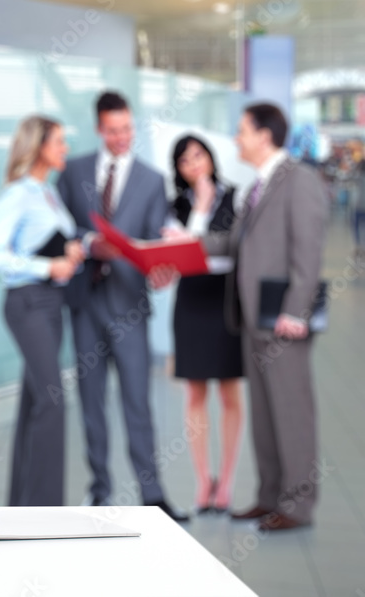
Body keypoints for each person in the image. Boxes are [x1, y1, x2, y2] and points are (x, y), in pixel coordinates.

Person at [182, 103, 328, 531]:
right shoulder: (259, 186)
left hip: (283, 320)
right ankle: (270, 496)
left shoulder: (298, 181)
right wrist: (186, 244)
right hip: (252, 319)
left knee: (293, 413)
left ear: (264, 135)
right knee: (266, 414)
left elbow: (309, 252)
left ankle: (298, 506)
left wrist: (296, 312)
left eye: (242, 131)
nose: (236, 139)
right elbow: (234, 243)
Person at [55, 90, 188, 521]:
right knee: (91, 402)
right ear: (99, 129)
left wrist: (161, 260)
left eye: (127, 129)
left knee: (137, 402)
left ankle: (152, 494)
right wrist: (89, 241)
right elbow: (60, 229)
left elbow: (152, 236)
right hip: (85, 304)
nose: (121, 137)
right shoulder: (74, 171)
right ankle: (99, 491)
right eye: (113, 130)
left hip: (130, 305)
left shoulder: (151, 180)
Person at [0, 116, 83, 506]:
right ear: (40, 145)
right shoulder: (19, 194)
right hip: (28, 304)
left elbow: (43, 242)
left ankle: (22, 504)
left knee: (35, 399)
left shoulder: (48, 193)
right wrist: (47, 266)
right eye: (59, 141)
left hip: (51, 302)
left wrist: (68, 253)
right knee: (53, 400)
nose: (65, 148)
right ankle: (46, 508)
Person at [167, 134, 244, 514]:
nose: (194, 164)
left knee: (230, 394)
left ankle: (227, 480)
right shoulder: (178, 205)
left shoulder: (236, 196)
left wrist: (197, 241)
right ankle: (203, 480)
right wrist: (199, 208)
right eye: (185, 161)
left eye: (198, 155)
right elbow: (181, 254)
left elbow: (232, 249)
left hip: (225, 302)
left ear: (210, 157)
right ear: (178, 170)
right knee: (194, 394)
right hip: (192, 303)